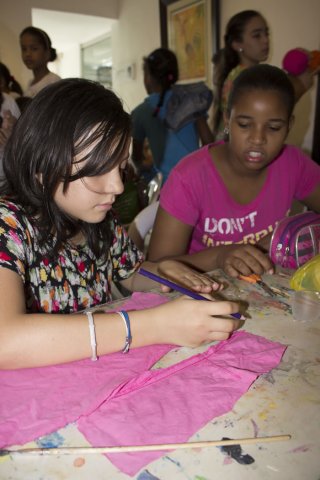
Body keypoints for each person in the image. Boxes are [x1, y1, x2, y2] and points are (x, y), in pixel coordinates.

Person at [0, 78, 241, 370]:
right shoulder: (8, 226)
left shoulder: (98, 219)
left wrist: (162, 273)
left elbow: (129, 273)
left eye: (120, 166)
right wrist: (152, 326)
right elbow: (6, 341)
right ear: (41, 166)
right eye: (98, 169)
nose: (116, 186)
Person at [147, 65, 320, 278]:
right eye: (245, 125)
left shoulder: (293, 164)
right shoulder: (190, 178)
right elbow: (155, 271)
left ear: (288, 126)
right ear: (228, 119)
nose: (258, 139)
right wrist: (220, 256)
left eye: (274, 128)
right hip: (202, 295)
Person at [212, 10, 318, 139]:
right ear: (237, 44)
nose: (266, 40)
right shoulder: (241, 77)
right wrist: (300, 84)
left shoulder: (254, 75)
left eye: (266, 33)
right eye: (257, 35)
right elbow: (274, 109)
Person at [131, 48, 213, 184]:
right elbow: (209, 143)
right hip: (196, 180)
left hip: (167, 186)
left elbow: (136, 158)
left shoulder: (141, 112)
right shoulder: (192, 101)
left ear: (148, 78)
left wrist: (147, 167)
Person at [19, 26, 61, 98]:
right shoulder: (30, 83)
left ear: (47, 53)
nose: (27, 54)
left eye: (34, 49)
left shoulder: (54, 82)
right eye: (24, 49)